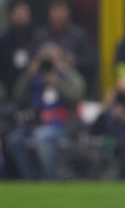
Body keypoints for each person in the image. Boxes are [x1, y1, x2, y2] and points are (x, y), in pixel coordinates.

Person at [6, 43, 86, 179]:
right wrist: (28, 74)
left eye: (52, 57)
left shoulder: (67, 75)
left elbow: (77, 94)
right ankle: (30, 178)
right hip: (36, 124)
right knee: (15, 140)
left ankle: (49, 178)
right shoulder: (35, 78)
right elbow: (18, 97)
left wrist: (58, 82)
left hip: (62, 126)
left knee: (41, 137)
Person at [34, 0, 96, 97]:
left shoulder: (78, 35)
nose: (58, 15)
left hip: (69, 84)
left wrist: (74, 61)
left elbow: (91, 62)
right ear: (49, 13)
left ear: (68, 13)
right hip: (42, 84)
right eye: (55, 11)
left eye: (62, 11)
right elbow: (31, 61)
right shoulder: (40, 35)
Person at [0, 0, 36, 99]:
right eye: (18, 12)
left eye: (25, 12)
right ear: (11, 15)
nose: (22, 16)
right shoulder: (4, 40)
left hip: (35, 87)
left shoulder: (36, 37)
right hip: (11, 89)